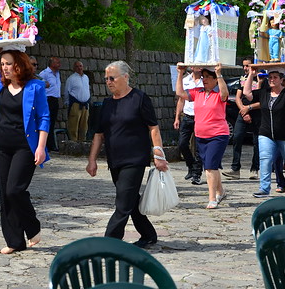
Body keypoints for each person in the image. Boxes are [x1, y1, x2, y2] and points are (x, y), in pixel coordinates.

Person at [0, 47, 50, 254]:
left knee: (14, 190)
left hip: (25, 147)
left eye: (8, 63)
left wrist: (41, 147)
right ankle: (15, 241)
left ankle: (32, 227)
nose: (4, 68)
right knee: (4, 195)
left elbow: (44, 117)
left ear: (19, 65)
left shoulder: (36, 86)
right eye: (2, 63)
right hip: (2, 146)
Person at [86, 60, 168, 246]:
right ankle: (148, 235)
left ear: (125, 77)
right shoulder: (106, 104)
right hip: (115, 160)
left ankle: (110, 242)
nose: (109, 82)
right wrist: (92, 160)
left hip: (135, 159)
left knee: (123, 203)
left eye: (112, 78)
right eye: (106, 79)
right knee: (130, 199)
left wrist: (159, 155)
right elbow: (99, 135)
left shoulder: (139, 98)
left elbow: (153, 128)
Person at [243, 63, 285, 198]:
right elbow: (247, 93)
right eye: (270, 77)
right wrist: (251, 75)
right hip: (266, 133)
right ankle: (264, 188)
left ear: (282, 79)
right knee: (265, 159)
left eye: (275, 77)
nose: (272, 80)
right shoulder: (264, 93)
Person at [176, 63, 229, 208]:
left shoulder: (219, 93)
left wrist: (219, 74)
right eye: (203, 77)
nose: (204, 79)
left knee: (210, 166)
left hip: (218, 134)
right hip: (201, 135)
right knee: (212, 165)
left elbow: (225, 94)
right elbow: (180, 93)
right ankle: (220, 191)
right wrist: (180, 74)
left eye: (207, 77)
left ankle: (212, 198)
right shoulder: (197, 92)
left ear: (214, 79)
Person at [223, 58, 261, 180]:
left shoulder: (262, 79)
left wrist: (249, 108)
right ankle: (235, 168)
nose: (245, 68)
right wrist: (244, 111)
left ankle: (255, 169)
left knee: (257, 142)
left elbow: (262, 100)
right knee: (237, 137)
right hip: (243, 111)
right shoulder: (242, 79)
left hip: (257, 112)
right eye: (244, 66)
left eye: (248, 66)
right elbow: (238, 97)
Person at [173, 66, 204, 184]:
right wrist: (177, 117)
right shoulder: (185, 81)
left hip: (200, 117)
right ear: (191, 67)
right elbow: (181, 100)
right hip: (187, 116)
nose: (199, 68)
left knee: (198, 147)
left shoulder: (205, 81)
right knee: (182, 144)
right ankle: (191, 166)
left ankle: (197, 174)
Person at [64, 60, 90, 142]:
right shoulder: (71, 79)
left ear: (83, 67)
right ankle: (73, 143)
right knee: (73, 125)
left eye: (80, 66)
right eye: (77, 66)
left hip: (85, 105)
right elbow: (66, 92)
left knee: (84, 126)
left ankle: (82, 143)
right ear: (74, 68)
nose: (79, 68)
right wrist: (67, 103)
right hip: (75, 104)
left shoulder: (86, 77)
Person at [39, 56, 61, 151]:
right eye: (57, 63)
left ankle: (51, 144)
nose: (59, 64)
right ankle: (46, 144)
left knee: (52, 123)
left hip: (55, 100)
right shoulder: (44, 73)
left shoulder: (57, 74)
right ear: (51, 64)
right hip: (48, 99)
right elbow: (40, 85)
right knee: (46, 122)